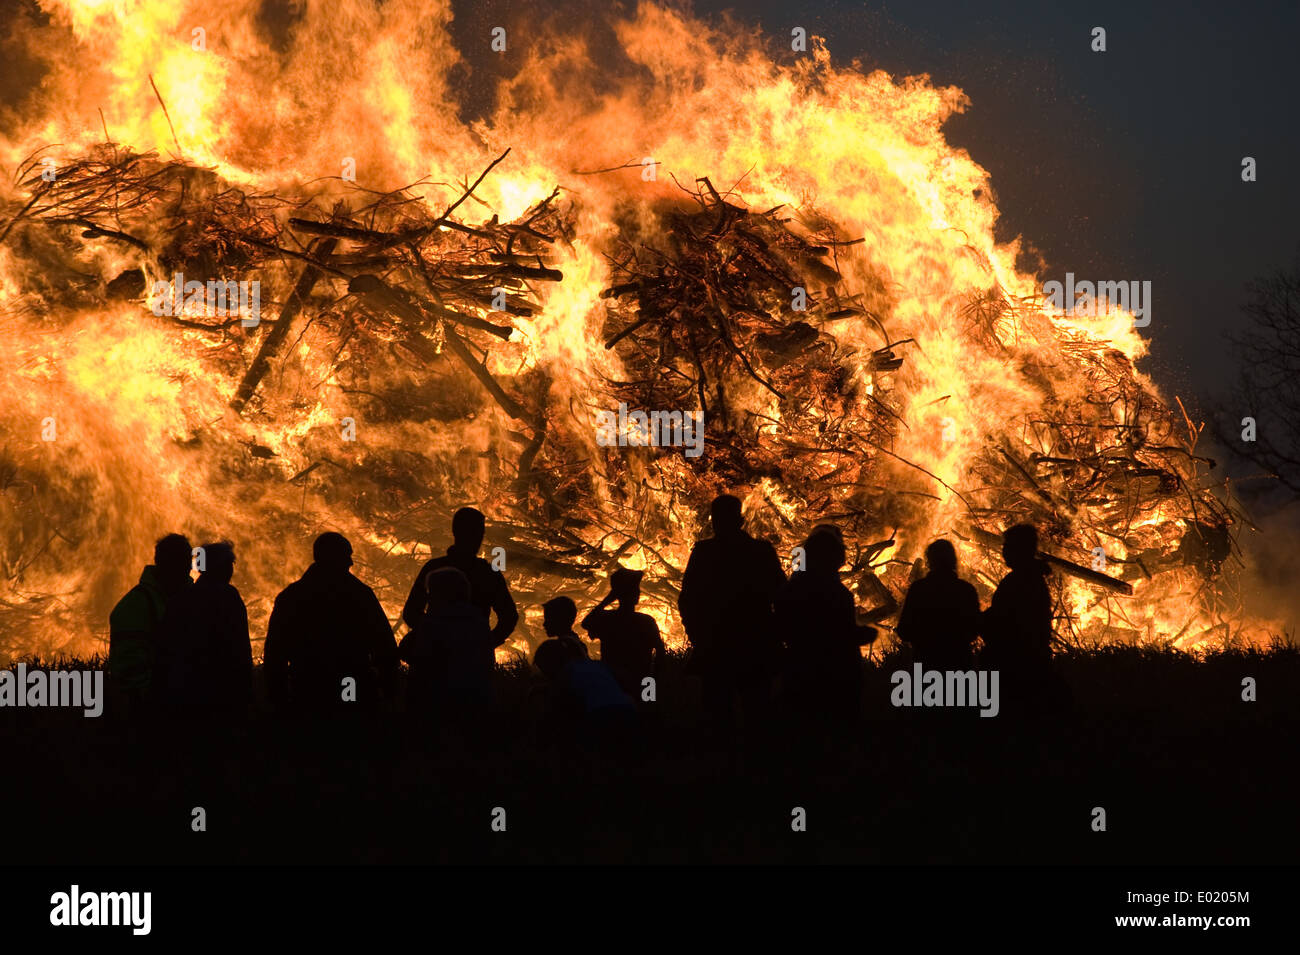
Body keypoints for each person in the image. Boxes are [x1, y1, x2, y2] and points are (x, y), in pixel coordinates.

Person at [678, 494, 787, 726]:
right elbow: (782, 596)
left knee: (718, 714)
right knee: (756, 713)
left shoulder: (704, 553)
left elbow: (687, 599)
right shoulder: (761, 551)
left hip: (718, 646)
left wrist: (697, 635)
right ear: (741, 521)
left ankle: (722, 757)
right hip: (754, 644)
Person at [263, 532, 399, 712]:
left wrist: (277, 694)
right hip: (349, 681)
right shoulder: (359, 594)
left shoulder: (292, 596)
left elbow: (275, 651)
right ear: (332, 557)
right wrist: (389, 688)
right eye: (346, 556)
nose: (351, 562)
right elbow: (384, 643)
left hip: (308, 685)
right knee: (348, 722)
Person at [773, 525, 876, 724]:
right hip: (836, 678)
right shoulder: (838, 594)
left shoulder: (790, 590)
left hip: (799, 673)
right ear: (835, 559)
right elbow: (842, 634)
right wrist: (866, 634)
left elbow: (781, 627)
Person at [155, 541, 252, 714]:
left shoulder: (180, 599)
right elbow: (240, 648)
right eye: (229, 564)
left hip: (185, 693)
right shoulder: (228, 597)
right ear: (222, 567)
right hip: (223, 695)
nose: (231, 569)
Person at [401, 507, 518, 645]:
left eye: (480, 533)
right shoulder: (487, 573)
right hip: (463, 655)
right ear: (457, 532)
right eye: (472, 533)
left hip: (444, 653)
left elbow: (411, 613)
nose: (477, 538)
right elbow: (411, 613)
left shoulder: (434, 567)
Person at [108, 533, 193, 713]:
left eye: (186, 562)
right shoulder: (135, 606)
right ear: (162, 564)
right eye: (178, 563)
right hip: (152, 709)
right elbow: (128, 669)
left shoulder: (192, 599)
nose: (185, 569)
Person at [399, 566, 496, 720]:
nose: (428, 598)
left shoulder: (433, 624)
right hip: (474, 705)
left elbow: (414, 658)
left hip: (435, 707)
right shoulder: (479, 623)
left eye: (431, 593)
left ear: (440, 594)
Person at [980, 524, 1057, 715]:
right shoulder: (1030, 577)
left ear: (1019, 549)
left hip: (1016, 665)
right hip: (1030, 662)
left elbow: (1003, 621)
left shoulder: (1020, 581)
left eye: (1008, 546)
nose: (1003, 550)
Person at [896, 539, 981, 671]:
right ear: (953, 560)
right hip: (959, 664)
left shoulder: (919, 589)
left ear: (929, 561)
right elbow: (974, 630)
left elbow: (904, 630)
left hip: (926, 664)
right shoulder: (966, 589)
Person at [581, 568, 664, 697]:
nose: (638, 593)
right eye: (634, 590)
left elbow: (586, 623)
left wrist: (608, 599)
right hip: (641, 683)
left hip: (613, 684)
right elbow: (660, 652)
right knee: (644, 713)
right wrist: (653, 682)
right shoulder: (646, 621)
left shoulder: (606, 619)